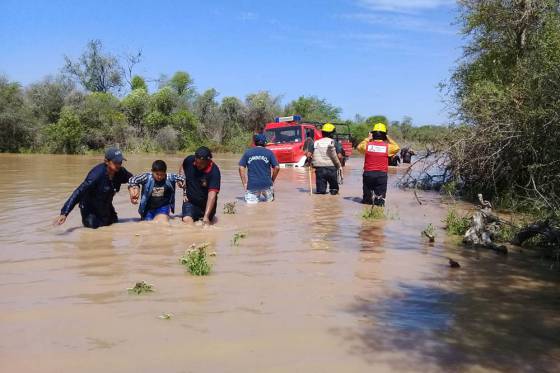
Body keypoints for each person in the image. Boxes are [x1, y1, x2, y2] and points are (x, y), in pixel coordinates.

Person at [54, 148, 133, 229]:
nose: (119, 165)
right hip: (90, 209)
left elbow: (133, 179)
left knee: (114, 226)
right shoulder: (96, 175)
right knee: (91, 231)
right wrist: (64, 213)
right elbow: (79, 192)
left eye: (120, 162)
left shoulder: (120, 172)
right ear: (106, 161)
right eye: (115, 162)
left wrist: (133, 188)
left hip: (106, 205)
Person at [357, 123, 400, 206]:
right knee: (380, 201)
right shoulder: (388, 147)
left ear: (373, 134)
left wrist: (368, 138)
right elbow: (397, 147)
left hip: (368, 174)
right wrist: (388, 137)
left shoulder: (367, 146)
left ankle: (366, 213)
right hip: (381, 175)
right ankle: (379, 214)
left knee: (367, 200)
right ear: (384, 135)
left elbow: (359, 147)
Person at [180, 146, 221, 225]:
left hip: (206, 205)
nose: (198, 165)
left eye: (201, 163)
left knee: (205, 225)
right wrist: (181, 178)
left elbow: (212, 195)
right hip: (190, 202)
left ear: (208, 161)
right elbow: (183, 166)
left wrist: (206, 216)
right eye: (197, 162)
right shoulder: (189, 160)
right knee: (186, 220)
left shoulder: (214, 172)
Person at [239, 134, 280, 203]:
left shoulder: (248, 152)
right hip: (267, 185)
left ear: (254, 142)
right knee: (270, 205)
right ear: (265, 143)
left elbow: (241, 167)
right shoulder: (269, 153)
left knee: (250, 209)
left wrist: (244, 184)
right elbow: (277, 167)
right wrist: (272, 181)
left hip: (252, 185)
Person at [306, 123, 342, 195]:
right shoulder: (334, 143)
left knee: (320, 192)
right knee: (334, 191)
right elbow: (339, 156)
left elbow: (308, 155)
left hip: (319, 170)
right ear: (332, 134)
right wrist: (339, 166)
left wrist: (309, 162)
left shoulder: (316, 143)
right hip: (332, 169)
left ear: (322, 133)